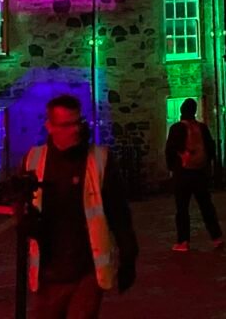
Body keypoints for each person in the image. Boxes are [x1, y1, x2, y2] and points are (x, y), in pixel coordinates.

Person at [21, 95, 138, 318]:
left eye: (78, 123)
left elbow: (119, 213)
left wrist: (128, 255)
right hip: (49, 273)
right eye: (66, 125)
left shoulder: (98, 159)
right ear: (50, 127)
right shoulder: (33, 161)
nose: (74, 130)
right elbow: (31, 220)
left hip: (87, 268)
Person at [164, 98, 223, 252]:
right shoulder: (202, 128)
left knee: (182, 209)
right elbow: (211, 148)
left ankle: (183, 241)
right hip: (199, 173)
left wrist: (172, 168)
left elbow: (170, 149)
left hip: (182, 174)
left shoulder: (176, 128)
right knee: (206, 206)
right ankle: (217, 237)